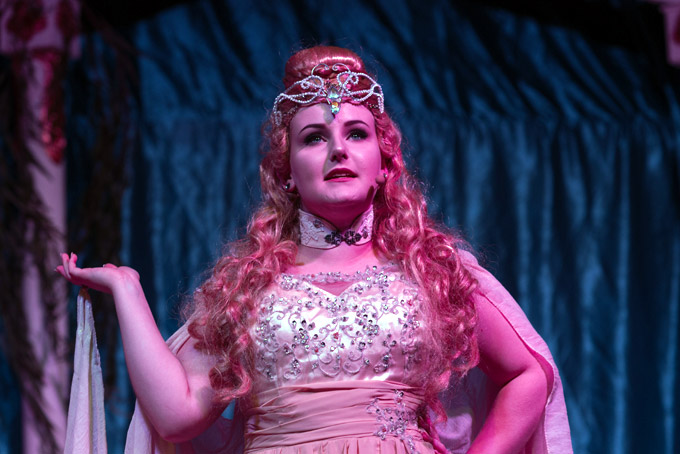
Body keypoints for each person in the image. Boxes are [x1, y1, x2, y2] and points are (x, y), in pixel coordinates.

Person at [58, 46, 572, 454]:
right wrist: (126, 289)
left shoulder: (432, 268)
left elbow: (530, 373)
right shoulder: (248, 286)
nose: (338, 150)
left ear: (384, 164)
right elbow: (178, 415)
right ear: (286, 172)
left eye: (356, 133)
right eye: (313, 138)